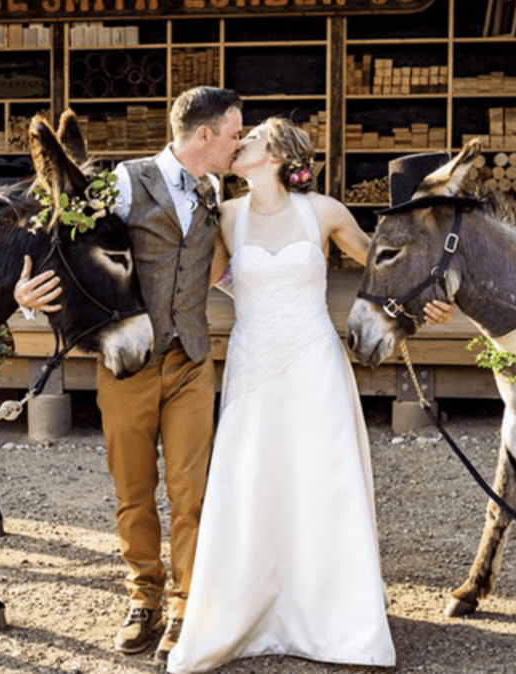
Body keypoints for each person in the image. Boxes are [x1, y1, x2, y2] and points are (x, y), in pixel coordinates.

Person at [165, 118, 452, 673]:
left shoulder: (323, 211)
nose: (237, 143)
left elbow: (385, 266)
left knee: (322, 481)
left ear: (274, 153)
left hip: (314, 361)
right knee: (252, 481)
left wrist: (427, 299)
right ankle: (243, 613)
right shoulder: (225, 217)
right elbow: (197, 281)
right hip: (253, 367)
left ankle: (336, 618)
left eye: (247, 139)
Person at [15, 86, 244, 665]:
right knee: (133, 490)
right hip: (128, 364)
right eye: (234, 134)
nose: (238, 144)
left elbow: (220, 269)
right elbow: (65, 246)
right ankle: (143, 596)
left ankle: (186, 604)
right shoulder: (123, 182)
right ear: (203, 136)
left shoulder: (216, 190)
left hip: (192, 359)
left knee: (191, 491)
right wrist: (25, 297)